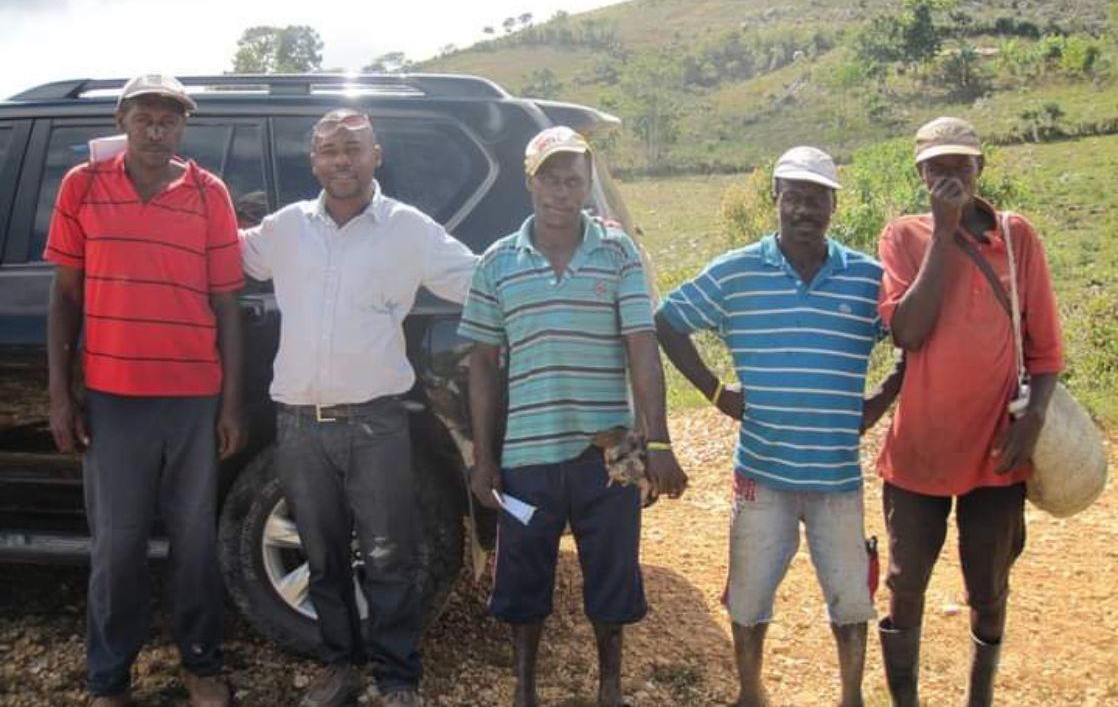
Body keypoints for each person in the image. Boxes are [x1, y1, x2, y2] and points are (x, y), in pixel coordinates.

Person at [239, 109, 476, 707]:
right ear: (313, 160)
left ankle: (398, 678)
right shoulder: (284, 229)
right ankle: (340, 667)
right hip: (298, 425)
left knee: (391, 555)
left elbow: (481, 277)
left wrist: (568, 235)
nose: (340, 160)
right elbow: (217, 249)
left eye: (352, 148)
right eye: (327, 150)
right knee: (322, 557)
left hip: (376, 424)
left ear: (376, 155)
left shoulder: (409, 230)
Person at [655, 146, 902, 707]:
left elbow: (915, 335)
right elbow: (667, 321)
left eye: (817, 198)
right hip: (761, 472)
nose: (804, 210)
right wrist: (717, 393)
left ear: (834, 205)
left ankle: (851, 697)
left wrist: (881, 399)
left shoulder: (868, 278)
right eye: (794, 197)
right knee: (748, 598)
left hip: (837, 476)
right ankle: (750, 693)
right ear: (776, 200)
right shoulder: (737, 271)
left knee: (850, 599)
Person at [460, 126, 689, 707]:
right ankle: (524, 689)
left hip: (609, 455)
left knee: (612, 574)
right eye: (551, 178)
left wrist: (656, 443)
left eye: (574, 180)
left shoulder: (618, 253)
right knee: (524, 577)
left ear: (587, 187)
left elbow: (642, 345)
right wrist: (484, 458)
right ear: (529, 181)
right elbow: (483, 365)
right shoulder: (496, 263)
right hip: (527, 453)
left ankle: (609, 686)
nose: (562, 191)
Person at [45, 74, 244, 707]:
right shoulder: (82, 186)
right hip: (112, 398)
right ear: (123, 119)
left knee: (194, 543)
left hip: (192, 399)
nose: (157, 129)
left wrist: (232, 402)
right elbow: (65, 296)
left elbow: (228, 304)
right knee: (117, 546)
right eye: (146, 117)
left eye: (170, 119)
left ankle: (202, 664)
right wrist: (60, 393)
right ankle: (109, 678)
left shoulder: (210, 193)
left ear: (183, 126)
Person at [875, 117, 1062, 707]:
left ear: (980, 167)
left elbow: (1047, 347)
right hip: (920, 450)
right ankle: (905, 700)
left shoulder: (1017, 235)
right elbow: (907, 329)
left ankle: (978, 697)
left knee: (989, 584)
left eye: (961, 163)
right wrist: (944, 231)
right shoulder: (902, 236)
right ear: (920, 174)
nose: (949, 174)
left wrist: (1031, 424)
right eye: (937, 166)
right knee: (906, 585)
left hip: (997, 448)